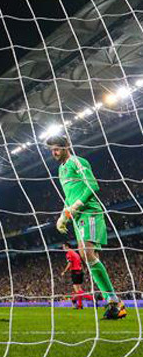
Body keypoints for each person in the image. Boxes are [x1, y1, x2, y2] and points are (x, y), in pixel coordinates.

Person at [47, 134, 127, 320]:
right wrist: (62, 216)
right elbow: (68, 196)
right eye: (51, 150)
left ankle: (114, 301)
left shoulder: (77, 161)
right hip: (76, 216)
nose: (54, 152)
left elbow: (92, 186)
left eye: (57, 148)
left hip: (89, 211)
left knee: (86, 254)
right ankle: (115, 304)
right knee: (90, 257)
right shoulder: (61, 169)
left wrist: (76, 206)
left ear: (67, 146)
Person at [61, 242, 88, 310]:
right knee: (79, 290)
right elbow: (80, 262)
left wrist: (64, 271)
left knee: (77, 291)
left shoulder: (69, 253)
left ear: (67, 246)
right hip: (80, 272)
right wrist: (83, 270)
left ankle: (91, 297)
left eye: (63, 247)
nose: (63, 248)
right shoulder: (75, 253)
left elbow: (70, 263)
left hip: (75, 272)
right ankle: (80, 305)